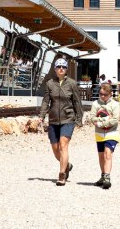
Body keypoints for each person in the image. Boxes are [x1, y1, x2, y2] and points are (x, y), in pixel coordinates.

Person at [39, 58, 83, 186]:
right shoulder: (49, 83)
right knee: (55, 149)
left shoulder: (72, 84)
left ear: (66, 69)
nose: (61, 69)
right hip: (53, 120)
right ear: (55, 69)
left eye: (63, 67)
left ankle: (62, 175)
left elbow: (77, 102)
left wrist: (79, 119)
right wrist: (41, 115)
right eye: (58, 67)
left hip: (68, 118)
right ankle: (67, 165)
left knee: (63, 145)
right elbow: (46, 101)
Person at [89, 82, 120, 189]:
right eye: (100, 93)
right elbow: (92, 118)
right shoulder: (95, 104)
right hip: (99, 134)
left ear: (110, 94)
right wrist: (105, 119)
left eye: (105, 94)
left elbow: (115, 120)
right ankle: (102, 176)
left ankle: (107, 178)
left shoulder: (115, 105)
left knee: (108, 154)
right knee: (101, 156)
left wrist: (102, 123)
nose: (102, 96)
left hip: (112, 133)